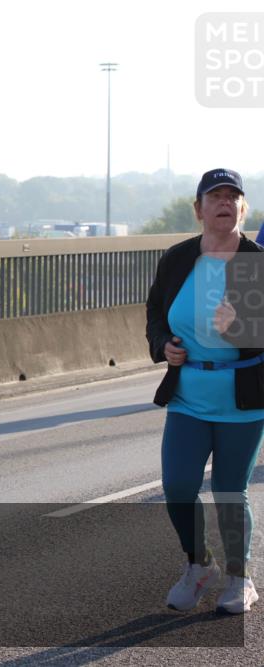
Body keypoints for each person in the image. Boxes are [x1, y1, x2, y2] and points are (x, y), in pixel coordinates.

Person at [146, 168, 262, 614]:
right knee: (177, 486)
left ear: (242, 209)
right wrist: (164, 346)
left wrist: (241, 327)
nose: (224, 202)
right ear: (199, 209)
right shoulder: (178, 259)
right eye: (215, 196)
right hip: (187, 396)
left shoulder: (255, 261)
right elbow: (156, 314)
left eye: (233, 196)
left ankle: (240, 578)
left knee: (230, 491)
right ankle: (199, 565)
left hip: (242, 399)